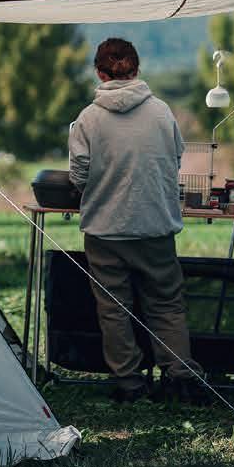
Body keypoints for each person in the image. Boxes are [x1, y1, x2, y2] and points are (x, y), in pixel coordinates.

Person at [68, 38, 204, 404]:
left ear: (99, 73)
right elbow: (175, 159)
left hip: (105, 229)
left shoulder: (88, 118)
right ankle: (180, 378)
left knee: (114, 309)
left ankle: (129, 383)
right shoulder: (161, 111)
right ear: (137, 69)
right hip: (155, 225)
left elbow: (79, 174)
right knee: (166, 304)